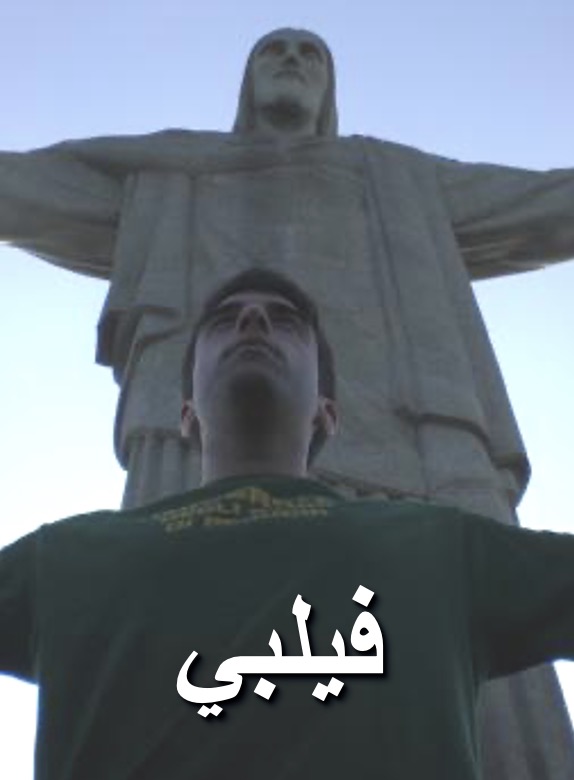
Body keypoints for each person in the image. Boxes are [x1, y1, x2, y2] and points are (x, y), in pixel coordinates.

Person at [1, 268, 572, 780]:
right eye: (223, 321)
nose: (252, 320)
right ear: (186, 415)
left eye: (287, 322)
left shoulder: (439, 547)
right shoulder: (69, 559)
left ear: (327, 412)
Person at [1, 28, 574, 523]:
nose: (292, 59)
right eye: (273, 51)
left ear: (329, 90)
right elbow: (28, 190)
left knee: (415, 602)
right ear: (247, 82)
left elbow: (541, 205)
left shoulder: (392, 176)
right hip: (204, 456)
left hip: (409, 454)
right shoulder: (174, 169)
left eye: (310, 54)